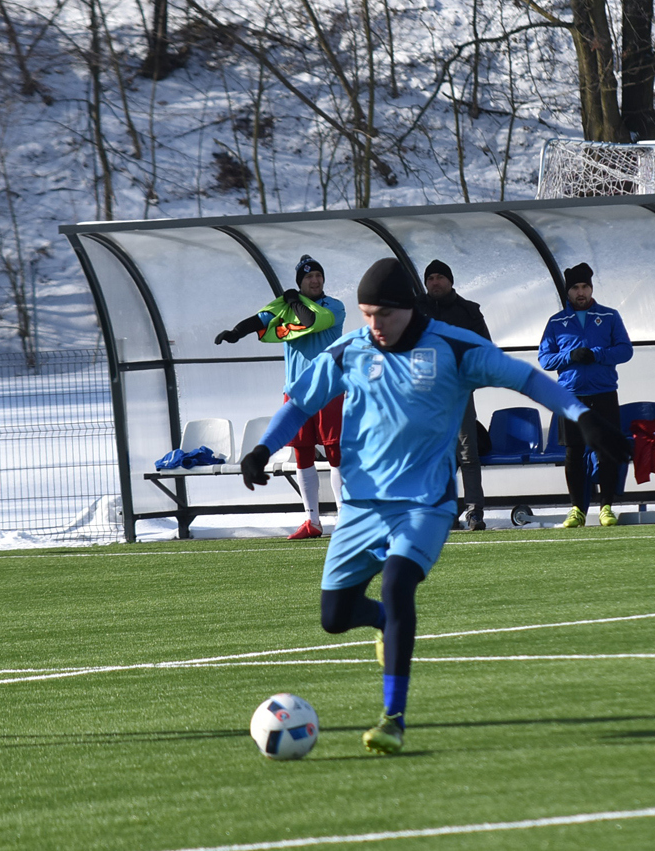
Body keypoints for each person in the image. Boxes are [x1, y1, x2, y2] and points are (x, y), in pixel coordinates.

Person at [239, 259, 629, 754]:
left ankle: (392, 719)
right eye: (365, 315)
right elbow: (300, 402)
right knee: (334, 617)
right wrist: (262, 448)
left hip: (425, 502)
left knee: (400, 585)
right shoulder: (351, 351)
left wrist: (583, 417)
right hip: (362, 507)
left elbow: (526, 379)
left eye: (382, 315)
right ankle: (385, 626)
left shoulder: (453, 346)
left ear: (407, 309)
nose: (373, 326)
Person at [217, 255, 346, 539]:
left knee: (336, 454)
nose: (315, 280)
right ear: (300, 281)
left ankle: (346, 520)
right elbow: (261, 318)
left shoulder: (334, 307)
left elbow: (308, 319)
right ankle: (312, 521)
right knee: (303, 455)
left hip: (329, 389)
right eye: (309, 277)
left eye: (318, 276)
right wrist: (236, 333)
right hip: (296, 392)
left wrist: (294, 301)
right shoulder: (286, 307)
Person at [537, 262, 634, 528]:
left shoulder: (610, 316)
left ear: (591, 288)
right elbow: (545, 358)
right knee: (574, 453)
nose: (581, 292)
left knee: (607, 452)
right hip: (570, 396)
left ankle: (606, 507)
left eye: (585, 287)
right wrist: (570, 356)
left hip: (604, 393)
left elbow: (625, 350)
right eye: (576, 288)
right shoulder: (557, 322)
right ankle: (577, 509)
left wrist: (599, 354)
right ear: (568, 293)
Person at [420, 259, 490, 531]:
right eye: (430, 278)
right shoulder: (416, 310)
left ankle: (474, 512)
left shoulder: (469, 312)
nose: (435, 282)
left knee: (468, 454)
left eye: (439, 277)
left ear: (450, 281)